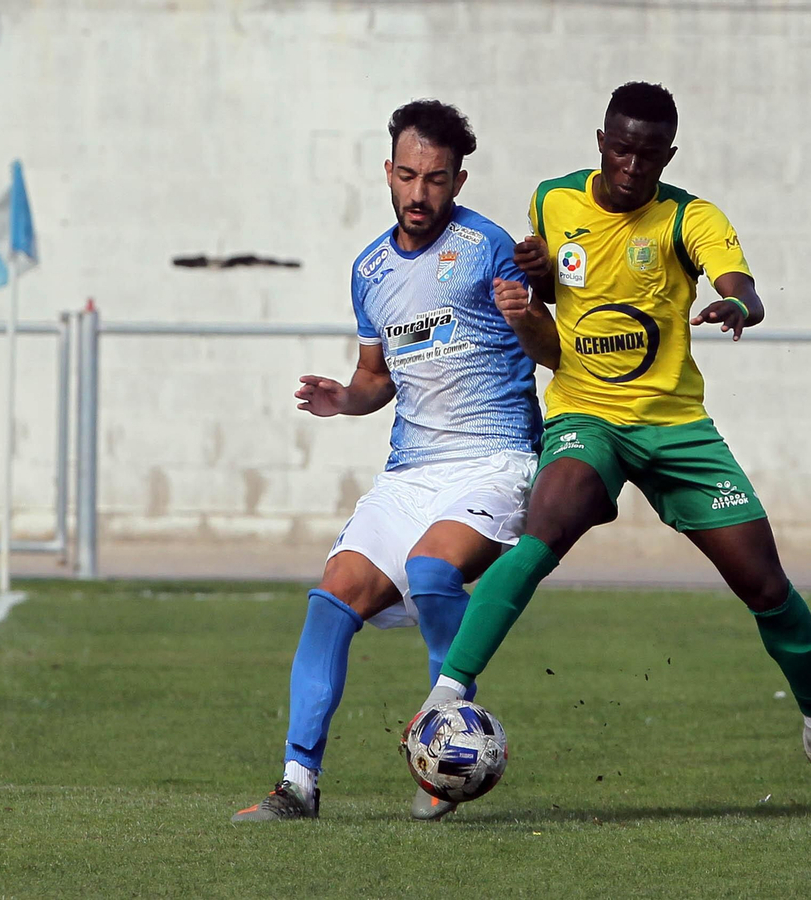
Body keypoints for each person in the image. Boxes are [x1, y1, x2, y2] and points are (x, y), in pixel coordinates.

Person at [413, 83, 811, 818]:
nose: (633, 165)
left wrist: (738, 304)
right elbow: (555, 306)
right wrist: (533, 285)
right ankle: (444, 705)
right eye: (621, 148)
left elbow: (740, 282)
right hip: (586, 416)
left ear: (670, 154)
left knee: (766, 586)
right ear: (601, 140)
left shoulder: (689, 216)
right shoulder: (552, 201)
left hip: (674, 426)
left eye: (650, 154)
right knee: (542, 532)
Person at [234, 100, 554, 822]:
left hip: (493, 460)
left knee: (433, 569)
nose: (418, 194)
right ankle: (298, 784)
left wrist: (528, 314)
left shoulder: (491, 248)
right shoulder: (370, 269)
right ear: (388, 171)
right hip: (410, 472)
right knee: (331, 597)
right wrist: (345, 398)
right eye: (407, 175)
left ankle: (445, 754)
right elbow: (379, 377)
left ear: (458, 181)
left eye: (435, 179)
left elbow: (551, 350)